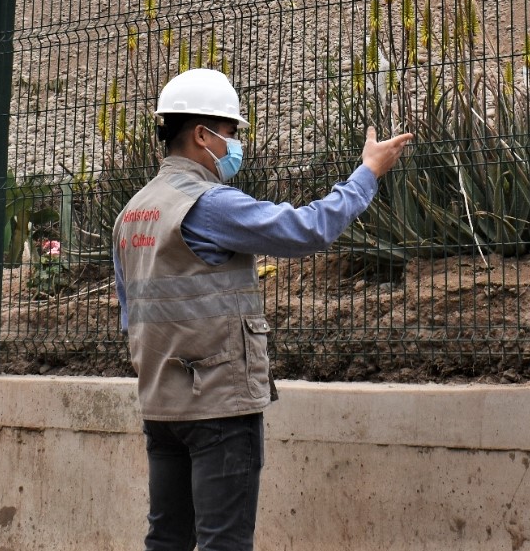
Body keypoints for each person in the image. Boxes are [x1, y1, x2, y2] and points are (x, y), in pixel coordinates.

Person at [113, 67, 413, 551]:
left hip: (161, 407)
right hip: (217, 406)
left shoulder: (133, 213)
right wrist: (367, 174)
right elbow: (304, 230)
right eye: (231, 133)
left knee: (166, 540)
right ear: (202, 135)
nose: (236, 145)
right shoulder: (208, 204)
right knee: (223, 543)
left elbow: (131, 315)